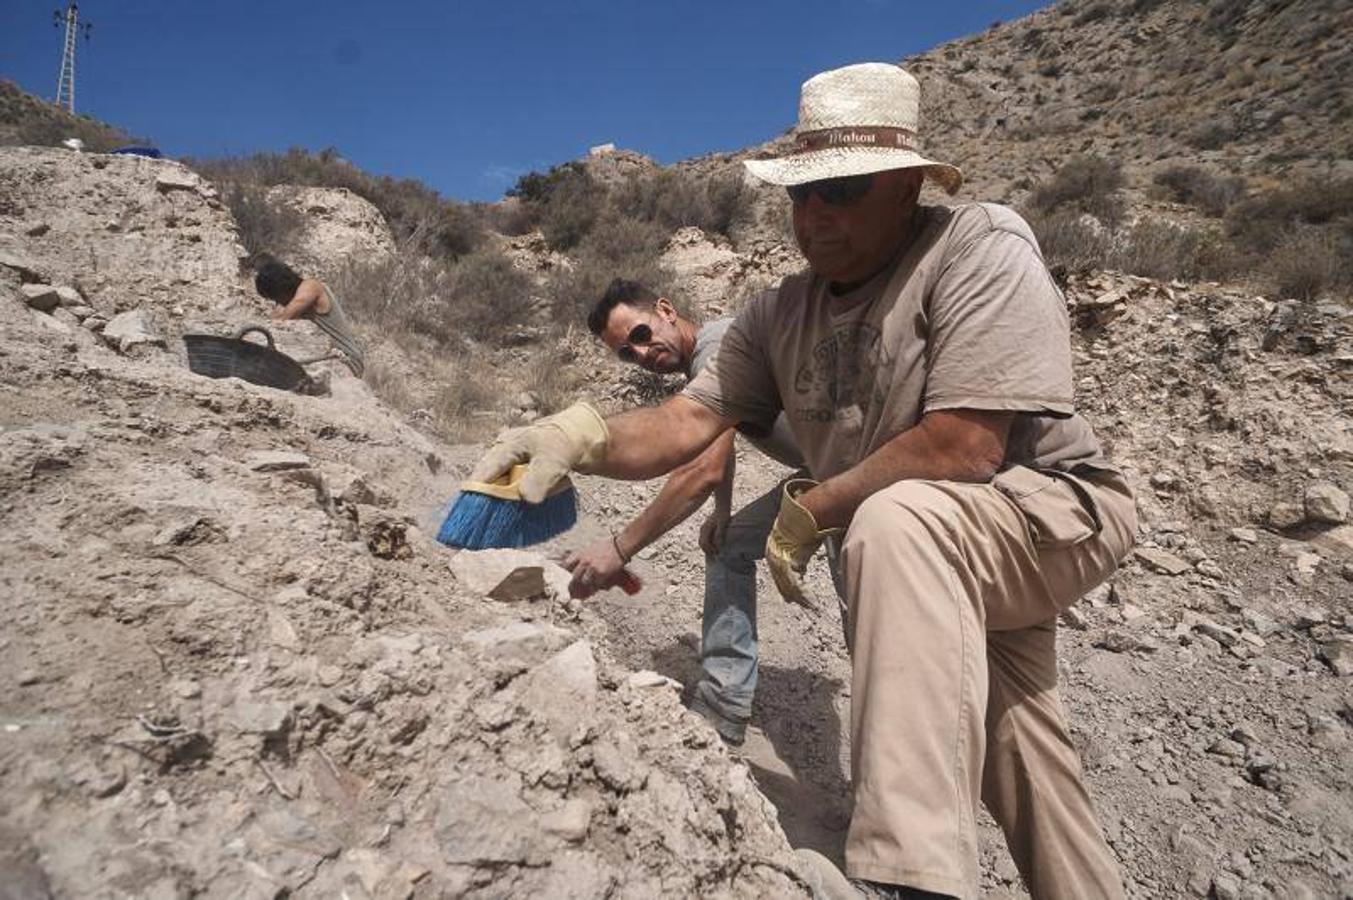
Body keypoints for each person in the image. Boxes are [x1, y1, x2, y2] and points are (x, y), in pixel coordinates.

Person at [469, 62, 1135, 900]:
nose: (814, 215)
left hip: (1045, 512)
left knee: (892, 524)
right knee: (1020, 746)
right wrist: (575, 434)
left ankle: (909, 879)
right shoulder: (775, 313)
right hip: (935, 548)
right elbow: (685, 426)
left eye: (842, 191)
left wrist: (812, 507)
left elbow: (964, 447)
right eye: (800, 194)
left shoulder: (977, 246)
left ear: (907, 185)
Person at [564, 278, 806, 746]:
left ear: (666, 310)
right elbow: (718, 438)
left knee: (868, 607)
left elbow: (701, 470)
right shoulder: (705, 368)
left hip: (862, 471)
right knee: (728, 545)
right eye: (627, 354)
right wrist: (723, 513)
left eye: (640, 334)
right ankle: (723, 707)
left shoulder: (720, 345)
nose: (641, 354)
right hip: (823, 472)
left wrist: (619, 548)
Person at [252, 255, 366, 377]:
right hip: (328, 357)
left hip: (347, 359)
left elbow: (280, 319)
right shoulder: (290, 299)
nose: (277, 302)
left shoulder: (311, 287)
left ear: (282, 289)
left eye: (275, 297)